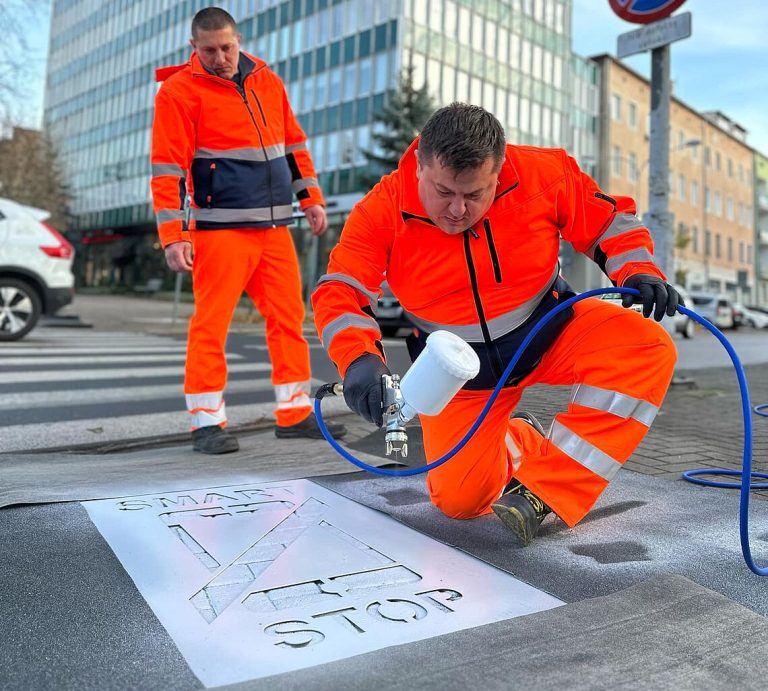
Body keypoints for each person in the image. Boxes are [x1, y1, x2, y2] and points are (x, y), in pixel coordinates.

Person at [312, 103, 679, 546]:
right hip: (461, 374)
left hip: (551, 330)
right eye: (444, 192)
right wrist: (359, 360)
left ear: (500, 170)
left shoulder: (545, 173)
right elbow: (340, 290)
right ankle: (519, 436)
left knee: (647, 347)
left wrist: (637, 269)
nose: (457, 210)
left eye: (475, 194)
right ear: (419, 167)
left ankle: (547, 489)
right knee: (460, 503)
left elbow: (607, 221)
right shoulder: (381, 209)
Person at [150, 7, 345, 454]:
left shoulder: (267, 80)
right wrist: (173, 235)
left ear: (238, 40)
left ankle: (294, 413)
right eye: (209, 50)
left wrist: (311, 199)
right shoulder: (178, 92)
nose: (220, 57)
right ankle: (205, 423)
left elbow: (293, 143)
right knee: (211, 326)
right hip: (220, 230)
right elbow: (167, 168)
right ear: (193, 48)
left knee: (289, 321)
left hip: (274, 227)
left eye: (227, 47)